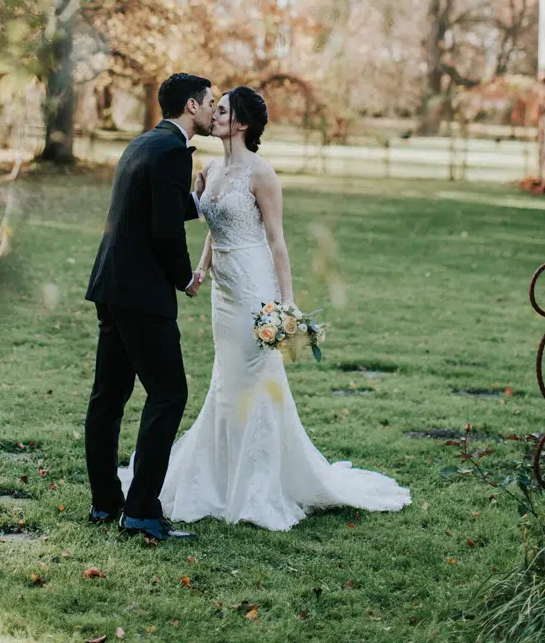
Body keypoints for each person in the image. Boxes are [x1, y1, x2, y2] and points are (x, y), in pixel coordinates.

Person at [136, 85, 411, 531]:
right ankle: (221, 477)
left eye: (223, 110)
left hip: (253, 285)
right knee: (225, 381)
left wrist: (287, 304)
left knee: (256, 381)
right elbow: (213, 225)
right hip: (223, 291)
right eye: (215, 108)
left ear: (241, 124)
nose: (215, 114)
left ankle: (259, 484)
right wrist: (202, 269)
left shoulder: (261, 174)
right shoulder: (207, 168)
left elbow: (277, 241)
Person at [84, 72, 214, 542]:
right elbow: (164, 232)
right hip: (142, 295)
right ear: (192, 106)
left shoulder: (143, 145)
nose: (213, 110)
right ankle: (140, 511)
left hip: (111, 286)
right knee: (169, 394)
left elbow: (155, 207)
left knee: (108, 399)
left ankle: (105, 504)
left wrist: (192, 199)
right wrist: (186, 279)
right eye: (209, 102)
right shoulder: (173, 151)